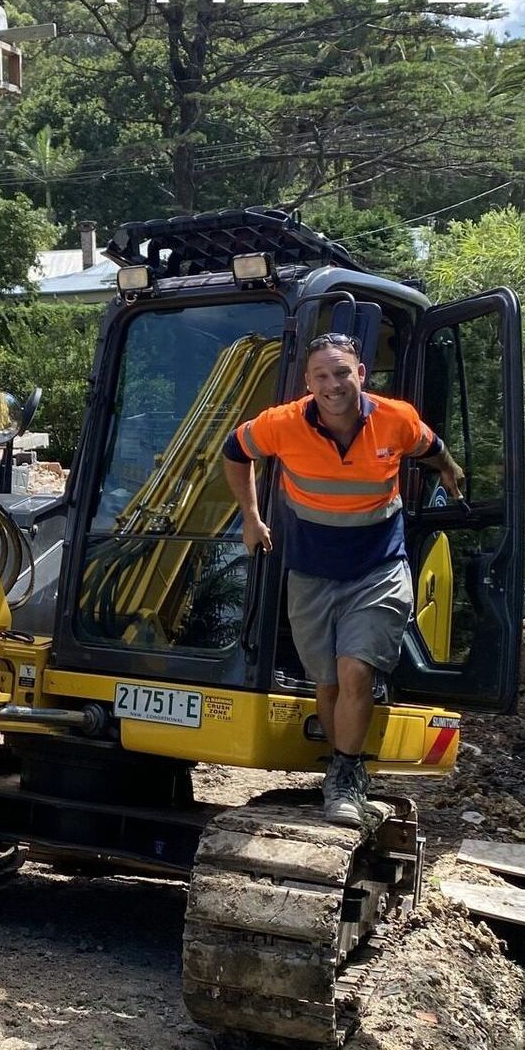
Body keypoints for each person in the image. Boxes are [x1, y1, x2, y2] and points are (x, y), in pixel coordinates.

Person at [220, 331, 464, 824]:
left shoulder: (394, 419)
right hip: (312, 571)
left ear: (361, 375)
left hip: (378, 564)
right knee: (327, 683)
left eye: (341, 373)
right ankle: (342, 769)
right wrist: (250, 515)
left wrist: (449, 468)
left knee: (357, 671)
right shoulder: (281, 424)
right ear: (309, 383)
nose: (333, 384)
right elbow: (234, 451)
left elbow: (431, 446)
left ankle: (347, 776)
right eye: (322, 376)